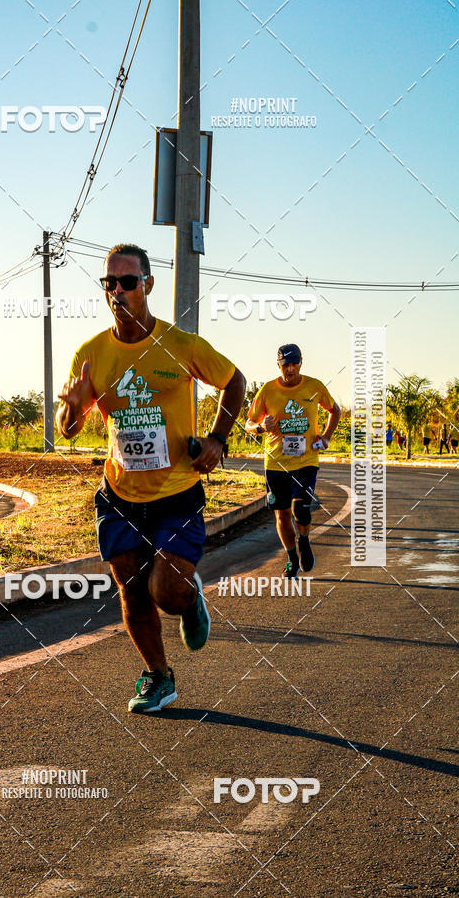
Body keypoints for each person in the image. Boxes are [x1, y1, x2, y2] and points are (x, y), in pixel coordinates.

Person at [56, 244, 245, 714]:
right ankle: (159, 676)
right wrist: (73, 408)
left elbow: (235, 381)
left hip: (176, 492)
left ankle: (190, 598)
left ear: (148, 285)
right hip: (119, 494)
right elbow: (67, 427)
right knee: (131, 589)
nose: (118, 291)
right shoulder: (91, 354)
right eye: (110, 283)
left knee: (165, 591)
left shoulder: (180, 345)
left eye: (128, 282)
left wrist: (218, 438)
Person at [245, 344, 340, 578]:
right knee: (282, 515)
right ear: (278, 365)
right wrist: (260, 427)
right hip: (275, 463)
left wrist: (326, 437)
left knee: (301, 510)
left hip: (306, 460)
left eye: (294, 363)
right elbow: (249, 423)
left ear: (301, 363)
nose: (290, 369)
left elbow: (335, 410)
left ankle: (304, 540)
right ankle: (291, 558)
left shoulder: (314, 386)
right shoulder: (267, 390)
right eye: (285, 364)